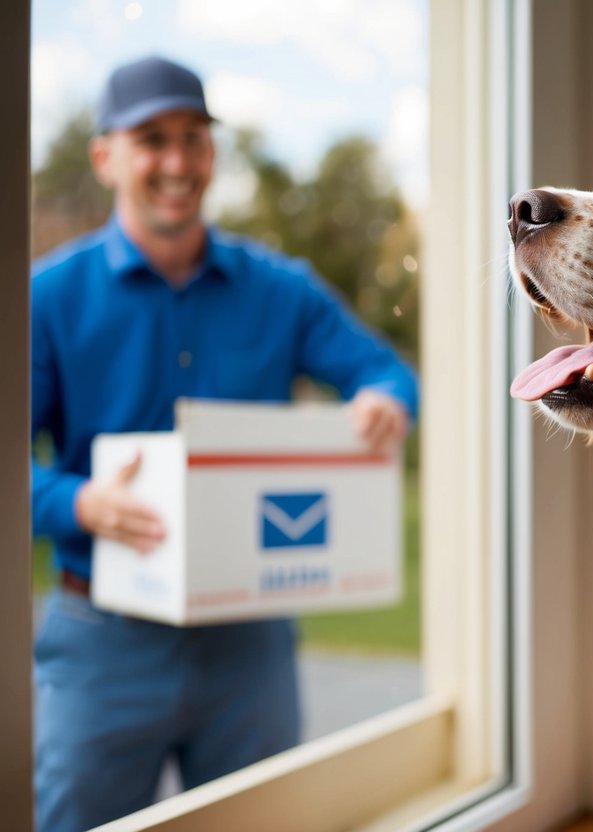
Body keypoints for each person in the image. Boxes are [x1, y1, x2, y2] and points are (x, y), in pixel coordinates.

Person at [30, 55, 419, 832]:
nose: (177, 162)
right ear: (106, 156)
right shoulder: (46, 296)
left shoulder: (282, 288)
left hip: (251, 642)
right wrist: (78, 502)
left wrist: (385, 398)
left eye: (194, 139)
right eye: (152, 140)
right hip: (102, 640)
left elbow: (384, 369)